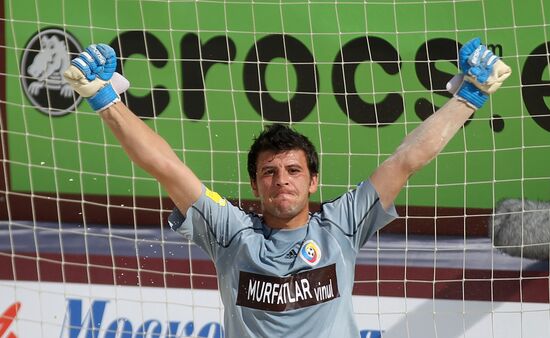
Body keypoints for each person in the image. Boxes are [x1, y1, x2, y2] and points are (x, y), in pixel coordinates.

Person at [63, 38, 511, 337]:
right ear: (255, 184)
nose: (282, 181)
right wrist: (105, 100)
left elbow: (407, 160)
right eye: (270, 172)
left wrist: (469, 96)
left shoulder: (341, 224)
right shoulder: (230, 230)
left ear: (314, 180)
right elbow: (165, 166)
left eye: (294, 171)